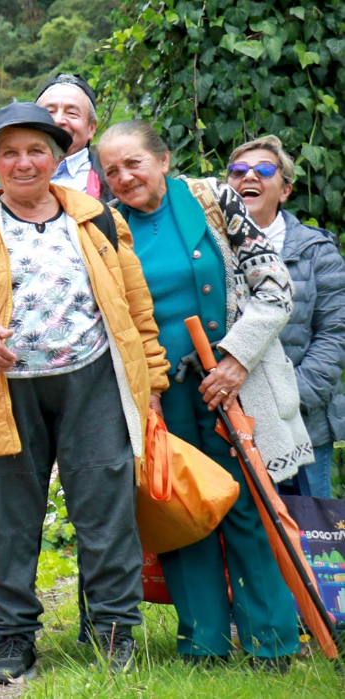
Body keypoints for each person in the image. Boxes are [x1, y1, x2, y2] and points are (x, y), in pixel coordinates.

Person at [0, 102, 166, 683]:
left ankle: (113, 633)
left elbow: (136, 310)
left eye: (37, 150)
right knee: (7, 520)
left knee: (105, 512)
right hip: (4, 388)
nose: (24, 162)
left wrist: (151, 384)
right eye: (9, 152)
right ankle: (12, 638)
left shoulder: (100, 221)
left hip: (94, 381)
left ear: (59, 157)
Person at [98, 121, 310, 669]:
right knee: (183, 512)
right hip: (159, 397)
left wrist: (236, 360)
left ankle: (273, 646)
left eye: (134, 164)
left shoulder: (213, 200)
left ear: (163, 160)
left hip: (229, 388)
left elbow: (274, 287)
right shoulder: (104, 226)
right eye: (112, 170)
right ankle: (203, 646)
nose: (123, 177)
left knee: (248, 507)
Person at [227, 135, 345, 500]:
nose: (249, 177)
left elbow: (335, 335)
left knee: (309, 547)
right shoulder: (211, 249)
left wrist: (287, 401)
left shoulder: (316, 252)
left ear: (286, 190)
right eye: (238, 171)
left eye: (263, 170)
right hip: (231, 423)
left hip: (303, 425)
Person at [35, 74, 113, 201]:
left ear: (91, 128)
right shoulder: (9, 184)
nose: (58, 120)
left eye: (72, 113)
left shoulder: (114, 180)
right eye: (49, 111)